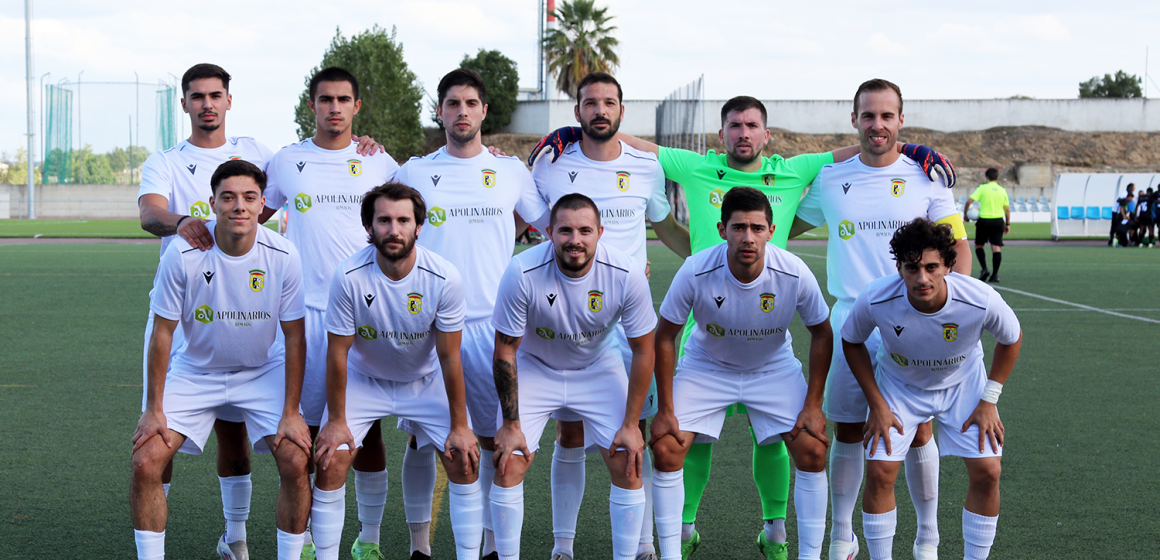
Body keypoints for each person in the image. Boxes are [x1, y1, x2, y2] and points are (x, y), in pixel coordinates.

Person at [530, 97, 956, 559]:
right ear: (722, 134)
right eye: (734, 126)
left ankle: (778, 531)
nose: (744, 134)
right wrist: (577, 133)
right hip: (706, 334)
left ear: (766, 135)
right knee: (680, 441)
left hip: (769, 340)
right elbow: (639, 145)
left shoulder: (795, 172)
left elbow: (856, 148)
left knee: (779, 435)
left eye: (752, 126)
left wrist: (910, 148)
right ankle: (682, 531)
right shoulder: (695, 169)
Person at [789, 78, 972, 560]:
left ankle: (927, 537)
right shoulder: (831, 178)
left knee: (919, 431)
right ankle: (841, 536)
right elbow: (783, 221)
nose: (877, 125)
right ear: (854, 120)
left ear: (901, 121)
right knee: (848, 428)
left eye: (887, 116)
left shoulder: (926, 176)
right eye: (868, 116)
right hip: (852, 317)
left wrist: (954, 308)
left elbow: (958, 248)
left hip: (914, 320)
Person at [531, 71, 690, 560]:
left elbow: (665, 226)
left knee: (633, 428)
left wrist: (708, 259)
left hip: (628, 315)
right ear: (576, 111)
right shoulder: (552, 164)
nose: (600, 110)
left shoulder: (646, 165)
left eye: (609, 102)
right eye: (590, 103)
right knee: (570, 429)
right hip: (569, 312)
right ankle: (563, 546)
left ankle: (641, 543)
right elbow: (532, 221)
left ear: (622, 110)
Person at [392, 68, 549, 559]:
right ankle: (420, 545)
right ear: (439, 111)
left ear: (484, 111)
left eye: (471, 103)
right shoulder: (414, 172)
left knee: (484, 436)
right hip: (425, 326)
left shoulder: (509, 171)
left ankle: (486, 546)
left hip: (489, 325)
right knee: (422, 440)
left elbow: (552, 226)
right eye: (452, 103)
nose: (462, 111)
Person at [130, 160, 312, 560]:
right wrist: (153, 409)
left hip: (261, 371)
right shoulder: (181, 254)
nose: (239, 207)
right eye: (228, 198)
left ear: (265, 204)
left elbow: (295, 336)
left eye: (249, 198)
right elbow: (162, 332)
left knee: (296, 460)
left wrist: (292, 411)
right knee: (146, 461)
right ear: (212, 203)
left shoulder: (283, 254)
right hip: (196, 372)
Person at [258, 66, 399, 560]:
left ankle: (370, 538)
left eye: (343, 99)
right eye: (325, 99)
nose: (334, 108)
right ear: (311, 105)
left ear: (357, 107)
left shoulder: (380, 162)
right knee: (313, 430)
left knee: (369, 429)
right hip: (307, 314)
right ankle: (321, 538)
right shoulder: (287, 161)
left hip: (370, 312)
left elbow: (408, 222)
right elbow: (255, 216)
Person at [651, 186, 833, 560]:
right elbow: (665, 336)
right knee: (668, 447)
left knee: (813, 449)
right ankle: (678, 542)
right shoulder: (696, 269)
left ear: (770, 230)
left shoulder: (793, 272)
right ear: (722, 230)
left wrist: (813, 404)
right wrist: (666, 408)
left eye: (756, 227)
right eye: (738, 228)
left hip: (771, 367)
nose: (747, 237)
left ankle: (783, 540)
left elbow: (822, 333)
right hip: (707, 366)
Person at [136, 63, 273, 560]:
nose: (207, 104)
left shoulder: (258, 152)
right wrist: (185, 222)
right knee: (158, 432)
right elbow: (151, 213)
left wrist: (361, 145)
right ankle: (156, 545)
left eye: (216, 95)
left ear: (229, 101)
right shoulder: (167, 160)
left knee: (234, 431)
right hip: (183, 314)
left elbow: (278, 201)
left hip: (247, 310)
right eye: (197, 96)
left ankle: (234, 539)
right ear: (185, 104)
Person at [310, 183, 482, 560]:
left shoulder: (444, 277)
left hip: (425, 379)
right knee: (329, 459)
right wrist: (336, 420)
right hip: (363, 378)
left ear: (418, 226)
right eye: (384, 220)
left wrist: (460, 424)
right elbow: (337, 354)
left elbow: (451, 357)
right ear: (369, 227)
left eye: (403, 220)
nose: (394, 229)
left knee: (464, 459)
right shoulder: (349, 275)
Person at [842, 218, 1022, 560]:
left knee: (988, 470)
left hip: (963, 385)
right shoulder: (876, 297)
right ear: (899, 267)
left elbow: (1011, 339)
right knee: (880, 471)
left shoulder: (979, 298)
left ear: (948, 266)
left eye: (931, 267)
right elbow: (851, 341)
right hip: (899, 387)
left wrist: (989, 400)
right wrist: (877, 404)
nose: (922, 278)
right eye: (912, 268)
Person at [490, 193, 657, 560]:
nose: (575, 240)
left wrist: (631, 424)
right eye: (565, 230)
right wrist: (511, 423)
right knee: (509, 459)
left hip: (598, 367)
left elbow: (645, 349)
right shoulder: (522, 271)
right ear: (548, 232)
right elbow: (506, 350)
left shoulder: (626, 273)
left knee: (626, 459)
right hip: (537, 366)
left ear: (600, 232)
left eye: (585, 230)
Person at [963, 168, 1009, 282]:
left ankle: (984, 269)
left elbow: (969, 201)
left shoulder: (982, 188)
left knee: (979, 245)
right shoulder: (1002, 190)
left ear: (987, 177)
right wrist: (1007, 223)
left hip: (984, 220)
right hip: (998, 221)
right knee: (996, 248)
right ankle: (995, 275)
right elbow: (1007, 209)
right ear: (997, 177)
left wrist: (965, 214)